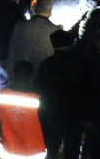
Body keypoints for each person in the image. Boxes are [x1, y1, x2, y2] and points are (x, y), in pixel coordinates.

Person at [34, 30, 85, 159]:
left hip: (50, 112)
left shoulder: (46, 64)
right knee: (72, 149)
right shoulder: (79, 64)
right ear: (70, 43)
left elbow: (37, 89)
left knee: (51, 149)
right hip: (73, 113)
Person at [0, 62, 47, 159]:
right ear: (32, 77)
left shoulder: (0, 95)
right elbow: (47, 122)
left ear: (13, 75)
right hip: (34, 153)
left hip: (8, 152)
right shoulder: (40, 99)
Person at [7, 0, 59, 73]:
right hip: (44, 74)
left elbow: (13, 51)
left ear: (35, 8)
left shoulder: (20, 26)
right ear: (50, 11)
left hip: (23, 73)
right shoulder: (56, 31)